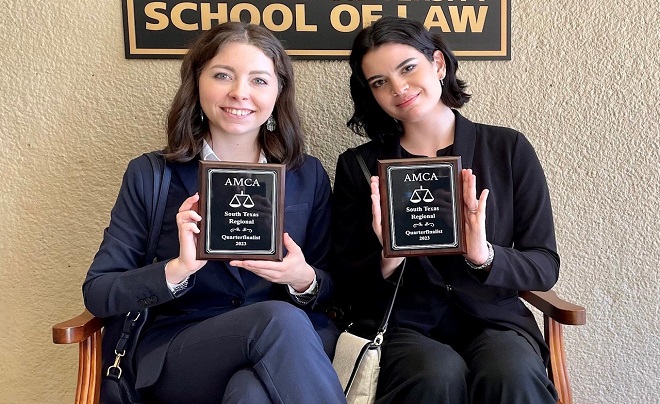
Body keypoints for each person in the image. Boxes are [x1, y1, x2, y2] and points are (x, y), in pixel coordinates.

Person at [83, 22, 345, 404]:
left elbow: (334, 285)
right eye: (223, 75)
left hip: (284, 355)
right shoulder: (152, 174)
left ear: (278, 92)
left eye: (259, 80)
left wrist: (302, 279)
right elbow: (99, 292)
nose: (239, 92)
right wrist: (177, 270)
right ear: (197, 83)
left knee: (250, 394)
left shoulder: (306, 175)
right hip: (180, 352)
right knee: (279, 319)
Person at [332, 16, 559, 403]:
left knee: (512, 372)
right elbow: (345, 281)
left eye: (408, 68)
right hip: (403, 326)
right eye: (379, 82)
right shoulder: (359, 165)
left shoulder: (507, 149)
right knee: (434, 374)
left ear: (438, 64)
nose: (398, 88)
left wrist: (484, 255)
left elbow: (544, 265)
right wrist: (387, 256)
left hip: (494, 321)